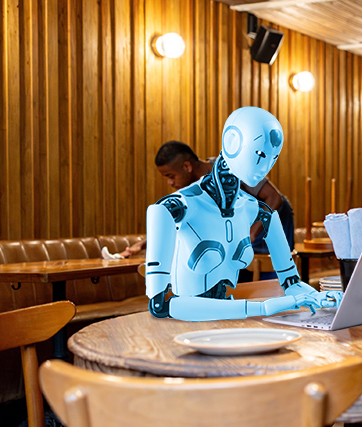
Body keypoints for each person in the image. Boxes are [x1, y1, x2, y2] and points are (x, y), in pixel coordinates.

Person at [145, 107, 340, 321]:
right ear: (231, 142)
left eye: (273, 158)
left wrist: (321, 298)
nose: (265, 167)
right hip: (184, 333)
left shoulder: (258, 210)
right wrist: (264, 308)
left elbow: (292, 283)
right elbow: (161, 305)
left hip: (234, 328)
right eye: (260, 155)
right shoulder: (173, 207)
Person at [122, 141, 295, 258]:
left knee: (268, 284)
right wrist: (141, 245)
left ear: (187, 166)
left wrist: (251, 232)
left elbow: (274, 198)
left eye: (171, 176)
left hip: (271, 221)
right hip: (244, 231)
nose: (170, 182)